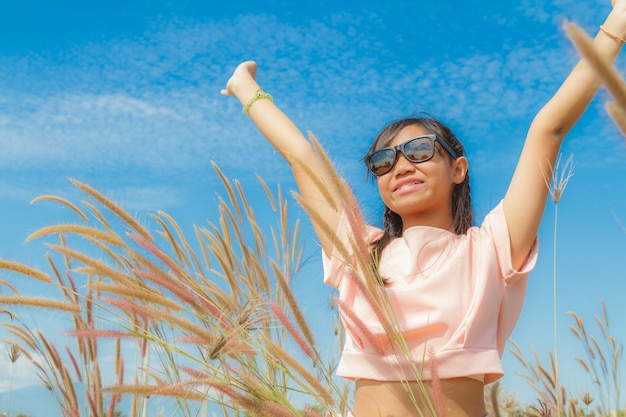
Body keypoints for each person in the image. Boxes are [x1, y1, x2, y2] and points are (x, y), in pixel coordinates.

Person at [221, 2, 626, 416]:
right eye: (383, 161)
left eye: (418, 150)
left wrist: (617, 23)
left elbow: (549, 129)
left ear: (458, 168)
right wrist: (245, 88)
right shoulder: (359, 253)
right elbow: (300, 154)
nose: (400, 165)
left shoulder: (491, 248)